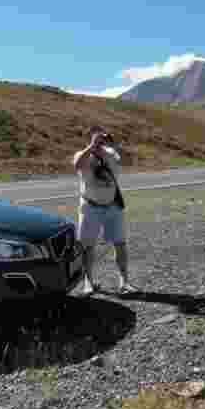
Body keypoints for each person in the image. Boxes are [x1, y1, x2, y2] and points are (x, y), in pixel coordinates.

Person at [72, 125, 139, 296]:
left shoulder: (112, 153)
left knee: (120, 244)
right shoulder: (83, 154)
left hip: (112, 206)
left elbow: (130, 161)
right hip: (90, 207)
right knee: (87, 246)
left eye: (102, 135)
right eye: (95, 135)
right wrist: (92, 147)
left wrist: (116, 145)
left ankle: (124, 282)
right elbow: (77, 165)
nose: (100, 138)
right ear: (89, 137)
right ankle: (89, 283)